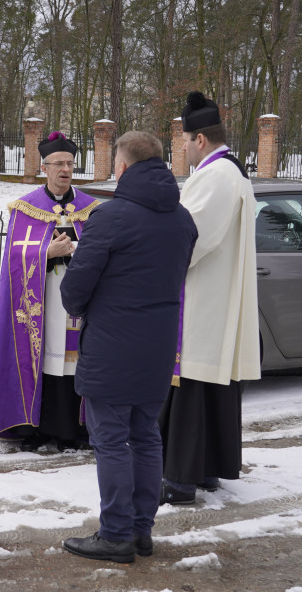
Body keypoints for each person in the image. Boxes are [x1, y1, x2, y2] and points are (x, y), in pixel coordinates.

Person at [58, 131, 197, 563]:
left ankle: (116, 534)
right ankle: (141, 531)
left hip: (112, 346)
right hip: (157, 345)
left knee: (112, 441)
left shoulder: (110, 216)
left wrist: (80, 309)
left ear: (121, 167)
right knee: (146, 437)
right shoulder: (183, 219)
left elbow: (76, 286)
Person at [158, 91, 262, 506]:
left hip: (203, 300)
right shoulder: (227, 172)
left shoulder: (216, 175)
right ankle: (204, 470)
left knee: (191, 388)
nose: (182, 149)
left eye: (183, 141)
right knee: (206, 387)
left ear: (199, 139)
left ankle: (182, 480)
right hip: (212, 298)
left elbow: (190, 237)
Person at [0, 131, 100, 451]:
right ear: (44, 167)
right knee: (46, 360)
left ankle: (77, 428)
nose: (65, 169)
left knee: (75, 360)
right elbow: (14, 258)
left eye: (70, 163)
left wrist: (76, 251)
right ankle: (41, 427)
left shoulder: (90, 207)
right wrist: (48, 254)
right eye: (58, 163)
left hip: (79, 300)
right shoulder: (26, 208)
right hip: (42, 300)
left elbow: (103, 250)